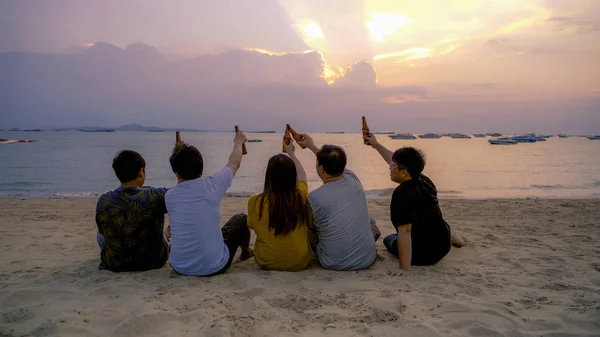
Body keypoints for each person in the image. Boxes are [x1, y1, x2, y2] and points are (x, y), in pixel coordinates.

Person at [363, 134, 465, 271]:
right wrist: (376, 145)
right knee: (430, 219)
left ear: (404, 173)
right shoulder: (424, 180)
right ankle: (456, 240)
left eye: (393, 166)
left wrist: (404, 269)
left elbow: (405, 232)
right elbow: (393, 159)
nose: (390, 168)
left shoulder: (402, 194)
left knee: (389, 239)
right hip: (443, 244)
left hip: (424, 255)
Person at [165, 131, 253, 276]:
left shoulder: (170, 196)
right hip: (215, 266)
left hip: (179, 266)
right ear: (201, 167)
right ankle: (246, 253)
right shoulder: (213, 185)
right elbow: (234, 163)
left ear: (176, 173)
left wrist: (179, 159)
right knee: (241, 219)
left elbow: (184, 192)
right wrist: (238, 142)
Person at [296, 134, 381, 271]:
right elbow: (334, 161)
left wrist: (309, 146)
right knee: (369, 219)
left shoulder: (314, 198)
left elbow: (312, 228)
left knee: (310, 230)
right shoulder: (354, 180)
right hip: (367, 259)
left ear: (321, 169)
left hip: (331, 262)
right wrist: (311, 146)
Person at [95, 150, 169, 272]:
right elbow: (180, 193)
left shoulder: (104, 200)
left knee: (99, 234)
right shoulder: (155, 196)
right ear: (141, 172)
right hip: (152, 260)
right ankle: (164, 237)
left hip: (115, 262)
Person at [247, 141, 314, 271]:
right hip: (299, 262)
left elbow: (251, 226)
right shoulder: (300, 195)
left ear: (269, 177)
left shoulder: (255, 202)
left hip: (266, 261)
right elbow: (302, 175)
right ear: (292, 176)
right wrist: (291, 154)